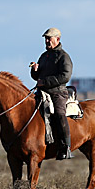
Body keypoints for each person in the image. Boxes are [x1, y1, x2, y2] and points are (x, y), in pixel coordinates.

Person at [30, 27, 74, 160]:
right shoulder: (44, 57)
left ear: (58, 39)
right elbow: (37, 78)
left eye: (49, 38)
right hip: (42, 92)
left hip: (58, 93)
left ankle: (66, 147)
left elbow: (65, 76)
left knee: (60, 114)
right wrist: (34, 71)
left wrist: (45, 82)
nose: (47, 41)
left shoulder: (63, 56)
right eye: (46, 39)